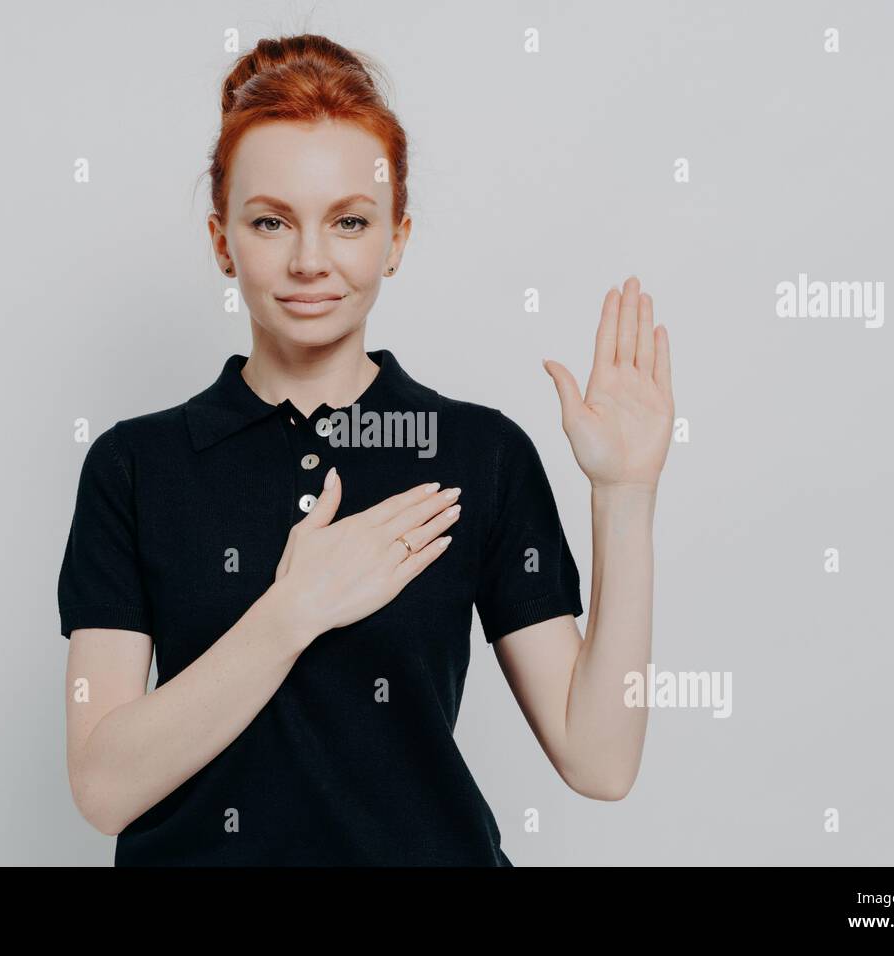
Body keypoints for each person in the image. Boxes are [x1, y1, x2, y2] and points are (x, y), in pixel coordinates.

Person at [57, 34, 674, 866]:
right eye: (271, 221)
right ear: (220, 241)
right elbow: (102, 786)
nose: (311, 261)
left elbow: (600, 761)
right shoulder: (135, 466)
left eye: (350, 221)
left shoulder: (478, 453)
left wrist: (625, 497)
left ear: (397, 238)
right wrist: (293, 610)